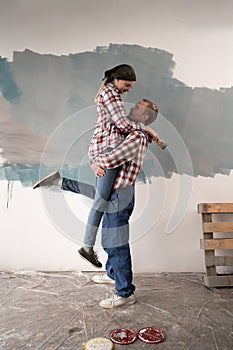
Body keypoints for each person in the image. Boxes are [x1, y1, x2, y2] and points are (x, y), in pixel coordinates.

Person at [33, 99, 165, 308]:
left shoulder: (137, 137)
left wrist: (94, 162)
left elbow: (111, 160)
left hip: (121, 196)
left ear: (145, 115)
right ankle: (114, 275)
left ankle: (125, 293)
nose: (131, 108)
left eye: (137, 107)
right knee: (108, 234)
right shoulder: (134, 131)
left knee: (115, 243)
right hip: (116, 192)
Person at [33, 64, 159, 270]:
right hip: (106, 149)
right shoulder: (113, 95)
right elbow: (122, 125)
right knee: (101, 200)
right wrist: (147, 130)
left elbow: (119, 127)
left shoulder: (110, 93)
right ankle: (87, 247)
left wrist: (95, 159)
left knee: (103, 197)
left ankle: (59, 181)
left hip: (103, 149)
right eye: (127, 85)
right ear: (118, 79)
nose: (129, 91)